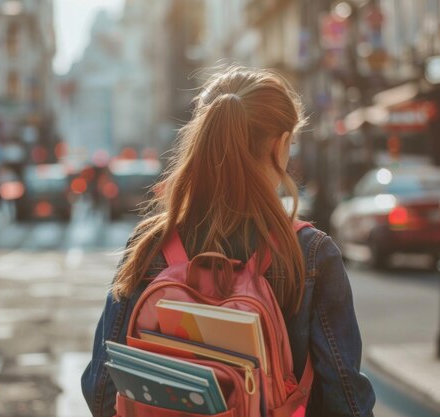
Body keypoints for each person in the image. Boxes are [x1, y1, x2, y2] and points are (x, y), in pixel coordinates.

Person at [81, 66, 375, 417]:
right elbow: (345, 398)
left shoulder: (150, 243)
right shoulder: (310, 253)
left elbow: (101, 389)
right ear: (281, 145)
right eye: (291, 144)